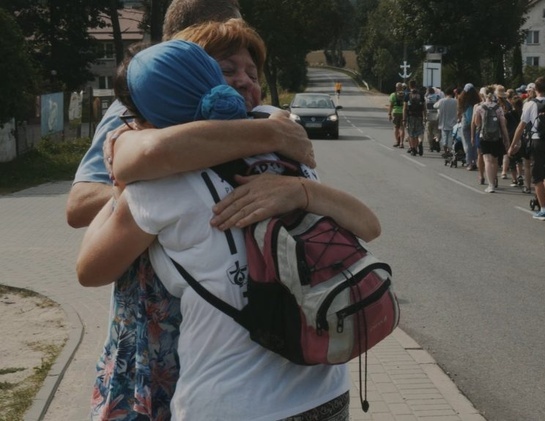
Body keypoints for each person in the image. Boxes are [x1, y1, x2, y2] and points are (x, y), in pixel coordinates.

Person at [78, 38, 379, 421]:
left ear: (144, 119)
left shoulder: (158, 189)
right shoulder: (285, 143)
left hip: (233, 403)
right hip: (325, 392)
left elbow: (90, 269)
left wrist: (122, 184)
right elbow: (371, 227)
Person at [510, 77, 545, 221]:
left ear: (535, 89)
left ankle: (543, 209)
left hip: (537, 140)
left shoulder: (530, 104)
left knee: (537, 175)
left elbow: (522, 125)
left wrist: (514, 143)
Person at [471, 86, 511, 193]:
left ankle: (491, 185)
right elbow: (503, 125)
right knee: (494, 161)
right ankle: (494, 181)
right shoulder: (498, 108)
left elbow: (477, 123)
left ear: (484, 95)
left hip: (484, 137)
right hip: (496, 137)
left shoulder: (480, 107)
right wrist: (506, 139)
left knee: (487, 161)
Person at [458, 83, 481, 171]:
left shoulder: (461, 99)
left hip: (465, 122)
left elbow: (459, 111)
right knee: (474, 143)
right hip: (475, 122)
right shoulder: (477, 100)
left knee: (467, 143)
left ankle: (469, 163)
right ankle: (475, 161)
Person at [434, 88, 458, 157]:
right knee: (451, 138)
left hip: (444, 122)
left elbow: (435, 106)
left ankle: (445, 151)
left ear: (445, 93)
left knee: (444, 138)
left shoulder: (442, 101)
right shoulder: (455, 101)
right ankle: (449, 151)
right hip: (453, 122)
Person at [405, 80, 426, 156]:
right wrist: (425, 117)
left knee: (411, 133)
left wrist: (404, 118)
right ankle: (418, 146)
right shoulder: (421, 94)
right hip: (419, 116)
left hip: (410, 116)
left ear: (409, 85)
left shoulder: (408, 95)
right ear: (416, 85)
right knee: (418, 133)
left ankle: (413, 148)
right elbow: (424, 107)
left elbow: (405, 108)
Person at [387, 82, 405, 148]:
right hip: (403, 113)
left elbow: (391, 105)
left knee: (396, 128)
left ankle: (397, 141)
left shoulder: (393, 95)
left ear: (396, 88)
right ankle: (401, 143)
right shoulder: (405, 95)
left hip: (395, 112)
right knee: (402, 128)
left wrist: (389, 114)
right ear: (402, 88)